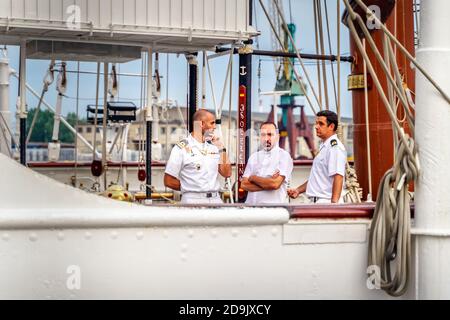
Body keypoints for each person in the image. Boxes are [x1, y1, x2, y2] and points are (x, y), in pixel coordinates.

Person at [164, 109, 232, 204]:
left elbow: (227, 173)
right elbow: (168, 181)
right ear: (201, 124)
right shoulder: (181, 148)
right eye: (212, 123)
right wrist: (190, 187)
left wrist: (221, 148)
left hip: (216, 199)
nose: (214, 127)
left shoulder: (215, 147)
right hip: (192, 199)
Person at [288, 110, 347, 204]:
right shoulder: (325, 147)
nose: (316, 126)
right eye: (316, 123)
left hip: (327, 202)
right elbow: (317, 179)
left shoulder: (334, 148)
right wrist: (298, 190)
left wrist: (334, 206)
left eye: (321, 124)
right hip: (318, 201)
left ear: (331, 126)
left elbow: (338, 177)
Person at [241, 122, 293, 205]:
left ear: (277, 137)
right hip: (250, 208)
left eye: (270, 134)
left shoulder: (284, 156)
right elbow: (244, 185)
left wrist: (253, 178)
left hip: (272, 210)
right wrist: (267, 184)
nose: (266, 138)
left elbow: (275, 184)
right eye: (263, 135)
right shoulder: (254, 156)